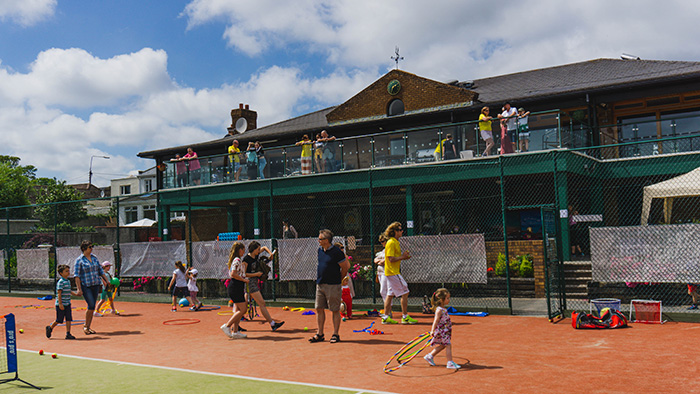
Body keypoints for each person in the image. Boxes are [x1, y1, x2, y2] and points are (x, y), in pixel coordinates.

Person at [309, 229, 350, 343]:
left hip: (333, 285)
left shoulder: (337, 252)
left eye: (320, 239)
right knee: (319, 308)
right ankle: (320, 334)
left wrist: (339, 279)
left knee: (335, 309)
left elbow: (345, 267)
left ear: (326, 240)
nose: (318, 241)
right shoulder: (320, 250)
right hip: (320, 284)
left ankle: (335, 334)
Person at [243, 241, 285, 331]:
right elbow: (244, 273)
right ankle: (272, 324)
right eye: (258, 249)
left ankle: (235, 324)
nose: (259, 251)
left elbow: (265, 247)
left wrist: (270, 254)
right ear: (253, 250)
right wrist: (256, 274)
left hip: (254, 282)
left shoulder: (256, 256)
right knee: (261, 303)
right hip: (250, 283)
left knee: (243, 306)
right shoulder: (246, 259)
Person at [382, 222, 417, 325]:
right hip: (393, 272)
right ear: (395, 232)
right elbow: (391, 259)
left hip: (391, 272)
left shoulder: (395, 242)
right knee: (405, 291)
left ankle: (385, 317)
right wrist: (403, 257)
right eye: (400, 230)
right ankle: (405, 317)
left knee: (390, 294)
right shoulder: (391, 242)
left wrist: (403, 256)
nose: (402, 231)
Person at [74, 240, 110, 335]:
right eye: (90, 247)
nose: (91, 249)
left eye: (91, 247)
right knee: (90, 305)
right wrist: (79, 288)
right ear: (84, 249)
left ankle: (88, 326)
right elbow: (76, 276)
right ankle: (86, 326)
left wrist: (107, 281)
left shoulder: (94, 258)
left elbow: (100, 271)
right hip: (86, 285)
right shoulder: (79, 260)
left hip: (95, 284)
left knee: (92, 306)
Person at [424, 288, 461, 369]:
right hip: (442, 331)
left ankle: (430, 356)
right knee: (448, 345)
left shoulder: (443, 309)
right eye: (447, 298)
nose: (449, 300)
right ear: (441, 299)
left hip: (445, 330)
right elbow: (435, 321)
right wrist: (432, 330)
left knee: (442, 345)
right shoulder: (439, 310)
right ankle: (450, 363)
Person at [221, 242, 248, 338]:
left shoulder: (237, 260)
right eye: (243, 250)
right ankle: (227, 325)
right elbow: (233, 274)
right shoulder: (237, 260)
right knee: (243, 309)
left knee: (239, 309)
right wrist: (243, 279)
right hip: (235, 287)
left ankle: (235, 331)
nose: (244, 252)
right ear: (239, 250)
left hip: (238, 287)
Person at [46, 264, 78, 340]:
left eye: (68, 271)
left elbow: (69, 291)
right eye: (66, 271)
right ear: (61, 273)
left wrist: (76, 294)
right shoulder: (61, 282)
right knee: (59, 320)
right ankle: (50, 328)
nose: (68, 272)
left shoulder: (68, 281)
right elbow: (59, 293)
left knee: (69, 319)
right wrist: (60, 304)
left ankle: (68, 333)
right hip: (61, 304)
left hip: (68, 304)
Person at [336, 242, 354, 319]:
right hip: (337, 275)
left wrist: (346, 259)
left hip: (345, 274)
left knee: (349, 293)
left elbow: (348, 266)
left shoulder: (344, 256)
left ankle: (349, 311)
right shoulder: (334, 256)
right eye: (340, 248)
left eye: (343, 247)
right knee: (339, 295)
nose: (342, 249)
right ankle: (340, 311)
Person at [374, 234, 389, 303]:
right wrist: (379, 261)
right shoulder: (383, 250)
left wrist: (380, 261)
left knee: (383, 291)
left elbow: (384, 261)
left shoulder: (389, 250)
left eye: (383, 241)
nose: (382, 243)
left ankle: (388, 309)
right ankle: (387, 308)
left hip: (385, 272)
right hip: (380, 272)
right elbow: (375, 259)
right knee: (383, 292)